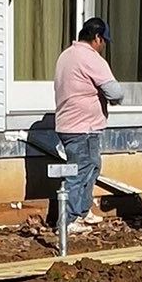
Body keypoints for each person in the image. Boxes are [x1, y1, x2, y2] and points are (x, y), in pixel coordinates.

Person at [51, 15, 121, 242]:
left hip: (68, 123)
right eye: (104, 42)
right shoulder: (91, 58)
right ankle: (68, 220)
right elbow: (115, 92)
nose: (103, 47)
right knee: (79, 171)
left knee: (90, 167)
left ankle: (82, 211)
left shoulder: (66, 56)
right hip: (84, 126)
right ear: (98, 38)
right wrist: (112, 100)